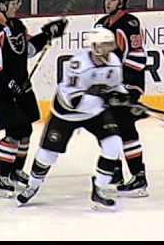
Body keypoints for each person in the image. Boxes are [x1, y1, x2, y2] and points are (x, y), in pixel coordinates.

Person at [16, 27, 128, 210]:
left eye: (109, 44)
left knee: (114, 143)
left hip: (95, 112)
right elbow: (73, 100)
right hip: (66, 113)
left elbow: (115, 86)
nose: (108, 48)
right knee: (47, 154)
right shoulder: (79, 65)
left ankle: (99, 188)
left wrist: (123, 95)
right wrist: (105, 98)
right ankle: (33, 186)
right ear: (95, 46)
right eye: (104, 44)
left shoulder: (114, 62)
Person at [0, 0, 67, 197]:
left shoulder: (17, 25)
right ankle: (1, 179)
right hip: (1, 91)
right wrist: (10, 86)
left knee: (26, 131)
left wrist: (47, 34)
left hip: (22, 89)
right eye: (14, 2)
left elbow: (28, 50)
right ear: (2, 5)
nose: (18, 5)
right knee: (14, 133)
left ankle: (16, 171)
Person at [94, 0, 149, 197]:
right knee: (106, 128)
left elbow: (137, 58)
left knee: (126, 130)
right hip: (108, 89)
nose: (108, 2)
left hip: (127, 86)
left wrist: (126, 88)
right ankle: (116, 171)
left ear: (122, 2)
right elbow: (96, 59)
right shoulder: (100, 24)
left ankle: (138, 177)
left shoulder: (129, 23)